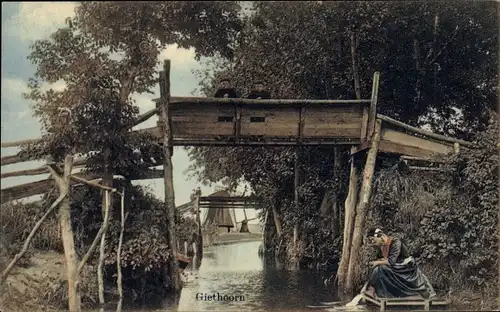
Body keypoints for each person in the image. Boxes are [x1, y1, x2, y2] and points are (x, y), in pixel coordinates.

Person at [363, 228, 436, 299]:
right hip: (395, 267)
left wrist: (378, 262)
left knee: (381, 268)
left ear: (380, 236)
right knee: (378, 269)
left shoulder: (395, 242)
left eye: (372, 239)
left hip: (406, 267)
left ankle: (374, 290)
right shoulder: (381, 246)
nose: (372, 242)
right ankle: (376, 291)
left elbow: (391, 261)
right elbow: (383, 259)